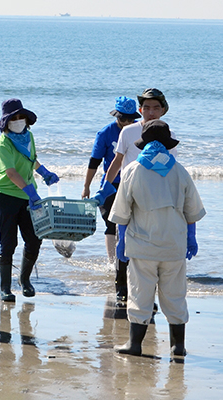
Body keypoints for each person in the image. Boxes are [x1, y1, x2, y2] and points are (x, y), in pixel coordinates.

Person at [108, 120, 206, 358]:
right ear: (166, 144)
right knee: (175, 295)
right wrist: (191, 238)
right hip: (174, 246)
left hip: (142, 246)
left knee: (140, 294)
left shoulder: (132, 170)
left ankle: (134, 344)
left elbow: (121, 212)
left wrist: (121, 242)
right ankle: (178, 346)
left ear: (144, 144)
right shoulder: (180, 171)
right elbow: (191, 211)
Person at [93, 88, 177, 307]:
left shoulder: (169, 136)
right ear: (140, 110)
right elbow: (117, 161)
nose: (151, 112)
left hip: (154, 198)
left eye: (156, 108)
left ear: (163, 110)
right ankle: (122, 289)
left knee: (151, 243)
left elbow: (171, 170)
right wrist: (105, 188)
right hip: (127, 193)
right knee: (124, 241)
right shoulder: (128, 132)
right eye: (147, 108)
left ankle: (149, 292)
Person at [0, 98, 59, 302]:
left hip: (29, 199)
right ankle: (5, 288)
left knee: (34, 239)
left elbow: (31, 159)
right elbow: (11, 172)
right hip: (7, 197)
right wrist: (31, 192)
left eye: (21, 117)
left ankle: (25, 280)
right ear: (7, 121)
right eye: (14, 118)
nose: (19, 121)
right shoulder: (3, 143)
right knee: (8, 243)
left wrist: (43, 171)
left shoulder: (28, 137)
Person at [81, 96, 140, 283]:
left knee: (134, 223)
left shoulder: (140, 131)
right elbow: (94, 161)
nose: (127, 123)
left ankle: (133, 260)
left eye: (131, 119)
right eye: (123, 119)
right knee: (111, 223)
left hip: (134, 183)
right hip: (111, 185)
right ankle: (112, 261)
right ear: (116, 116)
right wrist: (86, 187)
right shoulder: (105, 133)